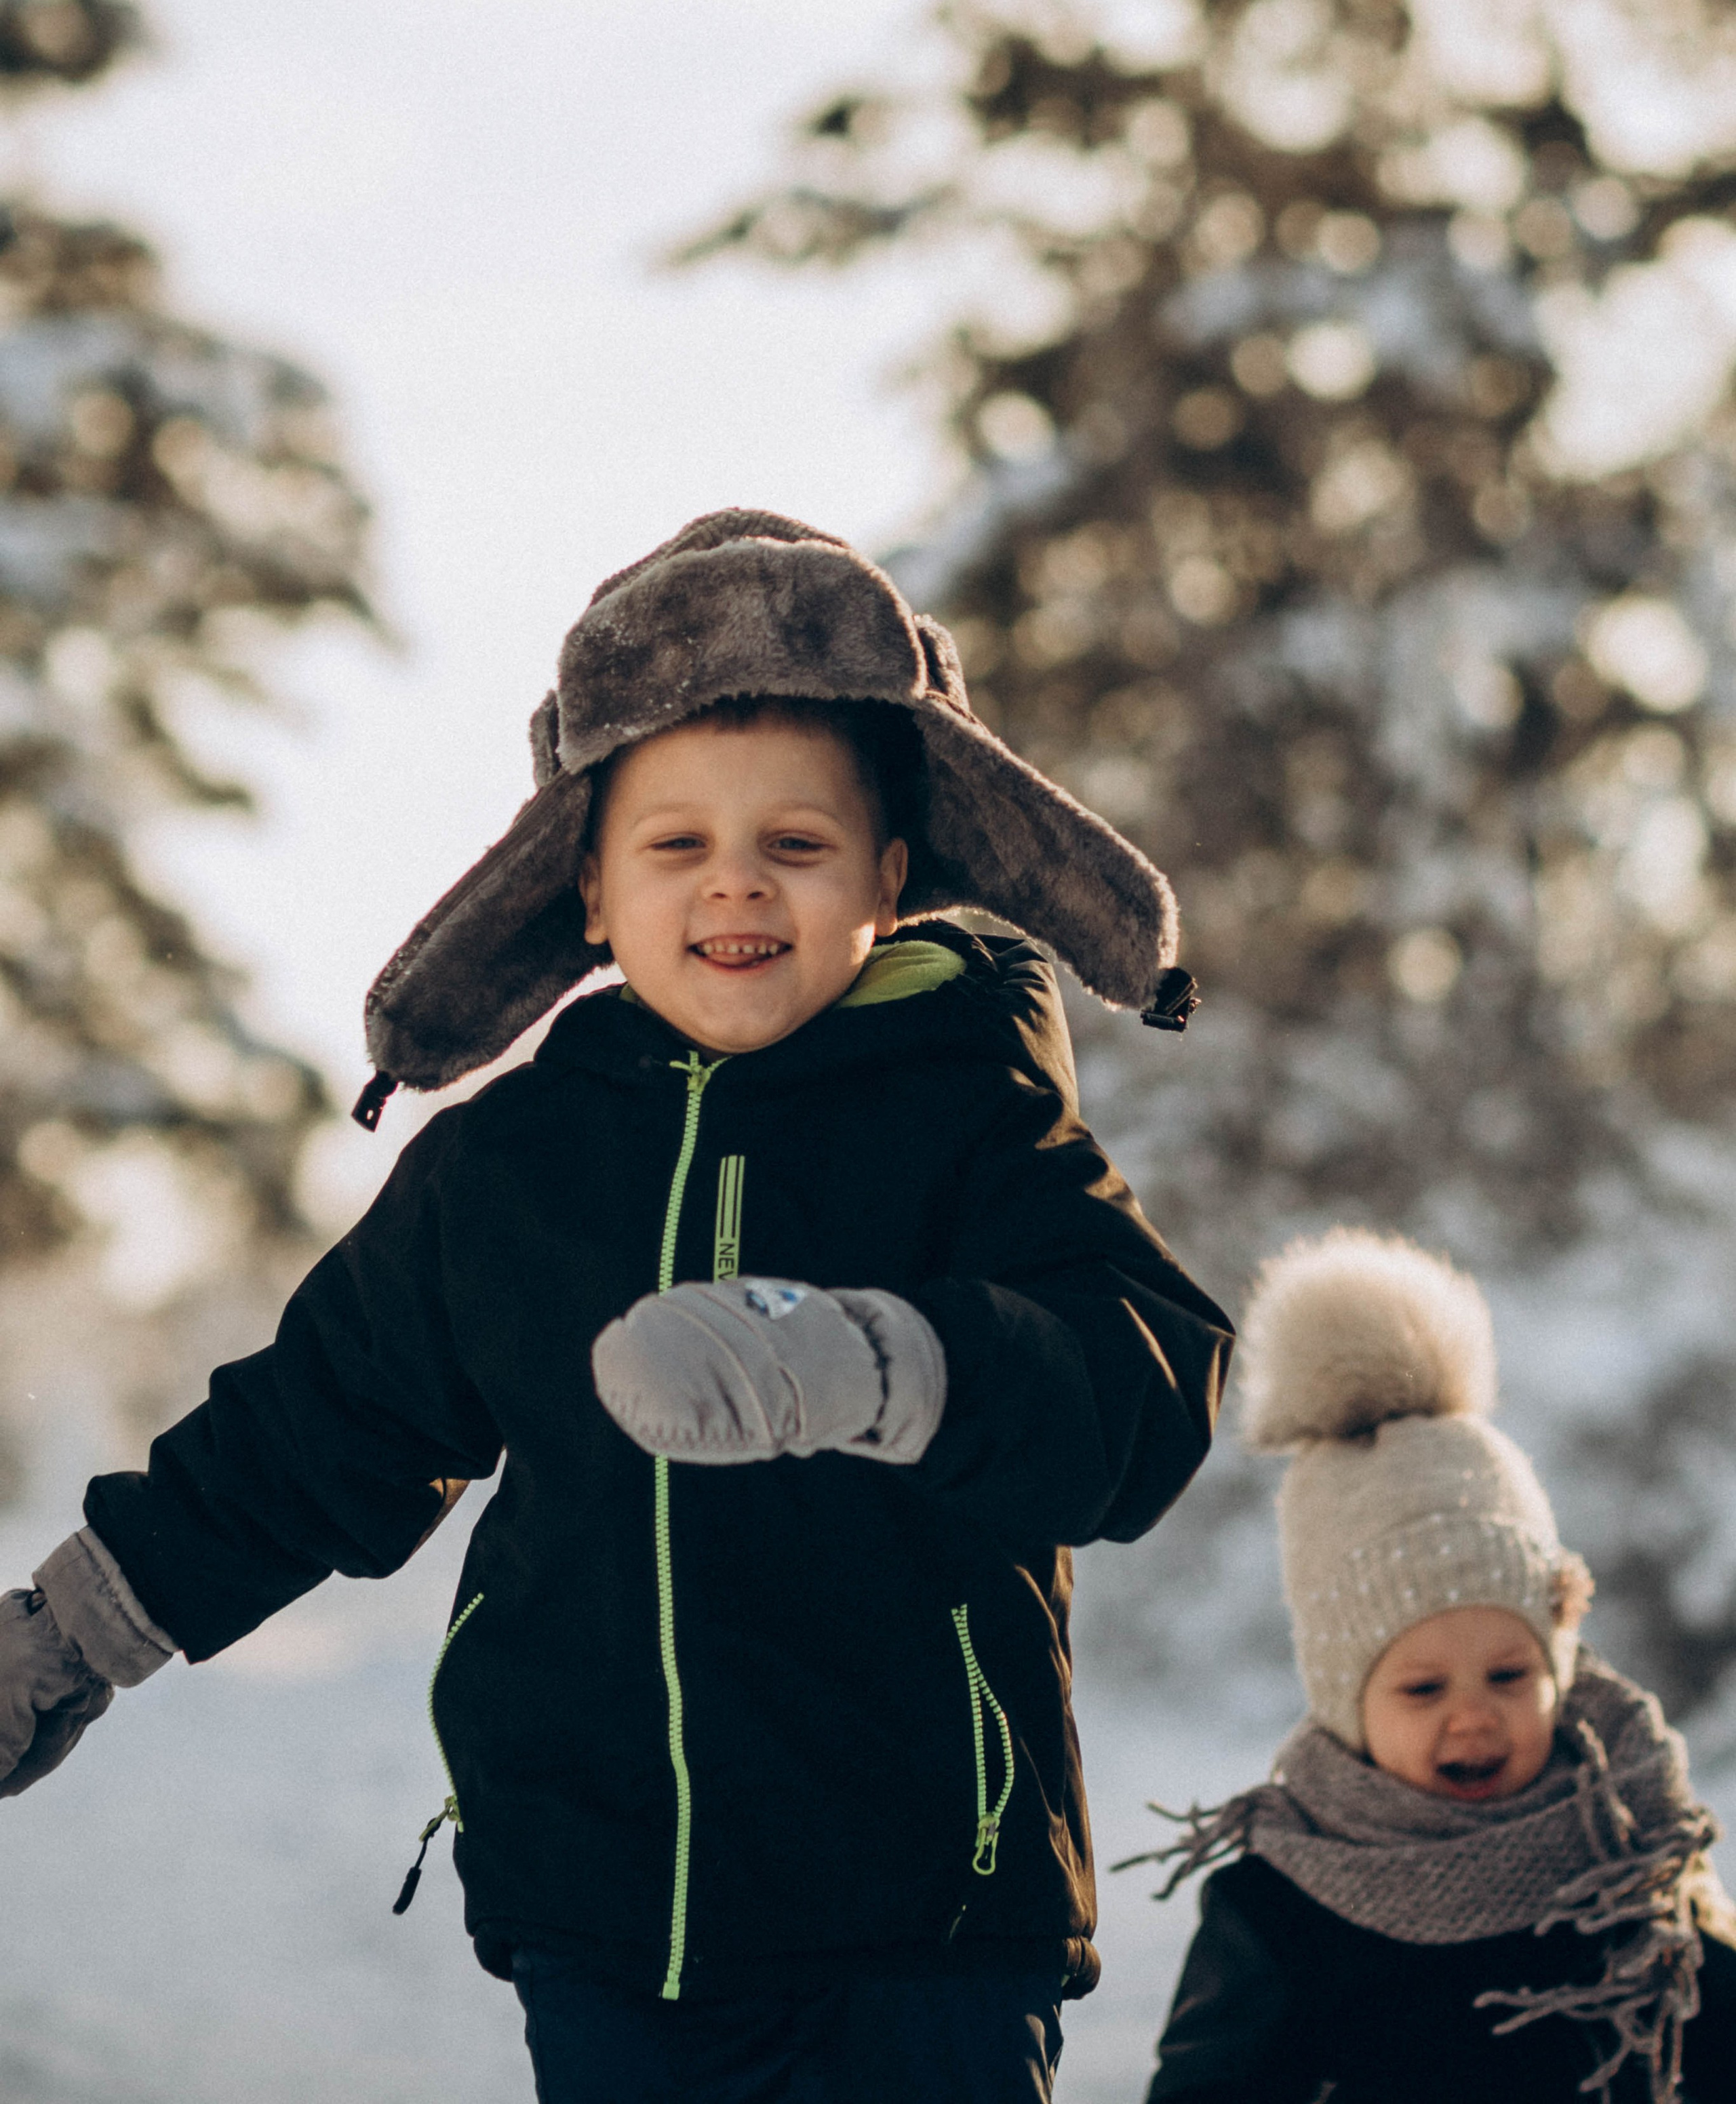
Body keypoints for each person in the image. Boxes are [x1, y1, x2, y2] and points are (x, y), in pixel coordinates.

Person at [0, 507, 1232, 2104]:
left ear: (890, 875)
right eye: (676, 846)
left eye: (795, 844)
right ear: (585, 888)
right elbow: (322, 1426)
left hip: (919, 1917)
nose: (738, 886)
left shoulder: (970, 1117)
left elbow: (1141, 1388)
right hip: (607, 1920)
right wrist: (73, 1633)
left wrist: (887, 1365)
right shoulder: (507, 1171)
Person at [1134, 1229, 1736, 2104]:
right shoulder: (1286, 1910)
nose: (1473, 1716)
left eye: (1509, 1675)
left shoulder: (1629, 1853)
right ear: (1347, 1701)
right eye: (1422, 1688)